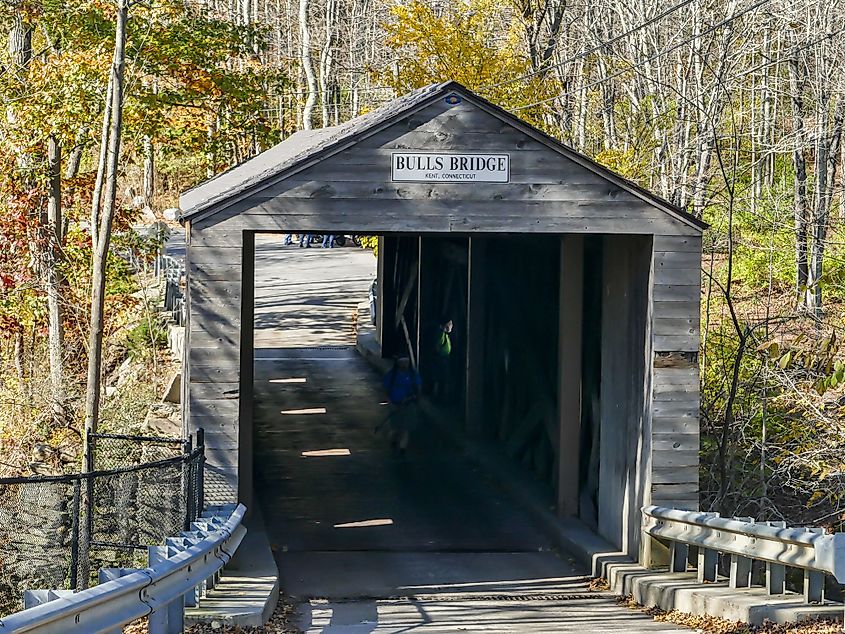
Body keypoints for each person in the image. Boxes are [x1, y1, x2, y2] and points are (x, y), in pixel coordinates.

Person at [378, 357, 421, 455]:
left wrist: (416, 398)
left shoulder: (413, 374)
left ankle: (402, 450)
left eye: (406, 362)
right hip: (395, 404)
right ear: (398, 363)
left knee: (406, 428)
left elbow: (418, 387)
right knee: (395, 428)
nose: (405, 364)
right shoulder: (392, 375)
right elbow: (385, 389)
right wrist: (389, 402)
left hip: (408, 404)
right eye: (402, 362)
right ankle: (393, 442)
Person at [431, 318, 453, 401]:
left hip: (443, 357)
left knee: (442, 377)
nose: (451, 326)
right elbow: (437, 346)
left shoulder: (444, 334)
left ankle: (439, 395)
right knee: (442, 376)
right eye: (450, 324)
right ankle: (440, 396)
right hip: (441, 358)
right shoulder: (440, 334)